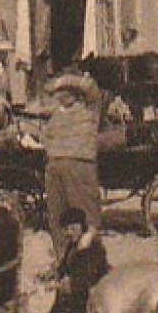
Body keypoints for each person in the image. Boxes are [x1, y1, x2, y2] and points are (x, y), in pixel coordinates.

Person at [41, 69, 103, 256]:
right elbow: (46, 138)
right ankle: (63, 264)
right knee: (58, 220)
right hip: (54, 168)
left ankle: (90, 262)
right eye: (61, 91)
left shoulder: (90, 109)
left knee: (86, 217)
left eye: (68, 90)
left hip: (80, 166)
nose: (63, 94)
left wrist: (64, 80)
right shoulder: (55, 115)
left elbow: (91, 87)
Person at [46, 206, 111, 313]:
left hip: (93, 288)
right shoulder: (73, 244)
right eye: (66, 229)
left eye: (73, 229)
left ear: (82, 227)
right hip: (80, 283)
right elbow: (66, 266)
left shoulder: (90, 247)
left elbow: (87, 276)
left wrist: (67, 283)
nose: (69, 232)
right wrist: (55, 271)